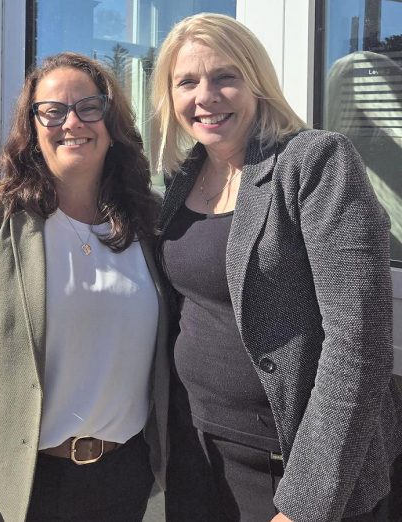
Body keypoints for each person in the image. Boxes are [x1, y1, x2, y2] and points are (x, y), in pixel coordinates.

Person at [150, 13, 402, 522]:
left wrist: (304, 501)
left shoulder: (314, 163)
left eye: (225, 77)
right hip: (195, 449)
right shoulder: (181, 178)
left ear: (257, 82)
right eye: (187, 82)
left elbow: (359, 339)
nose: (206, 96)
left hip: (288, 463)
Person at [0, 52, 169, 522]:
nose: (72, 122)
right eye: (52, 111)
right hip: (17, 486)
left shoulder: (148, 222)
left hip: (126, 478)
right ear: (32, 128)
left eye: (89, 107)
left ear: (111, 123)